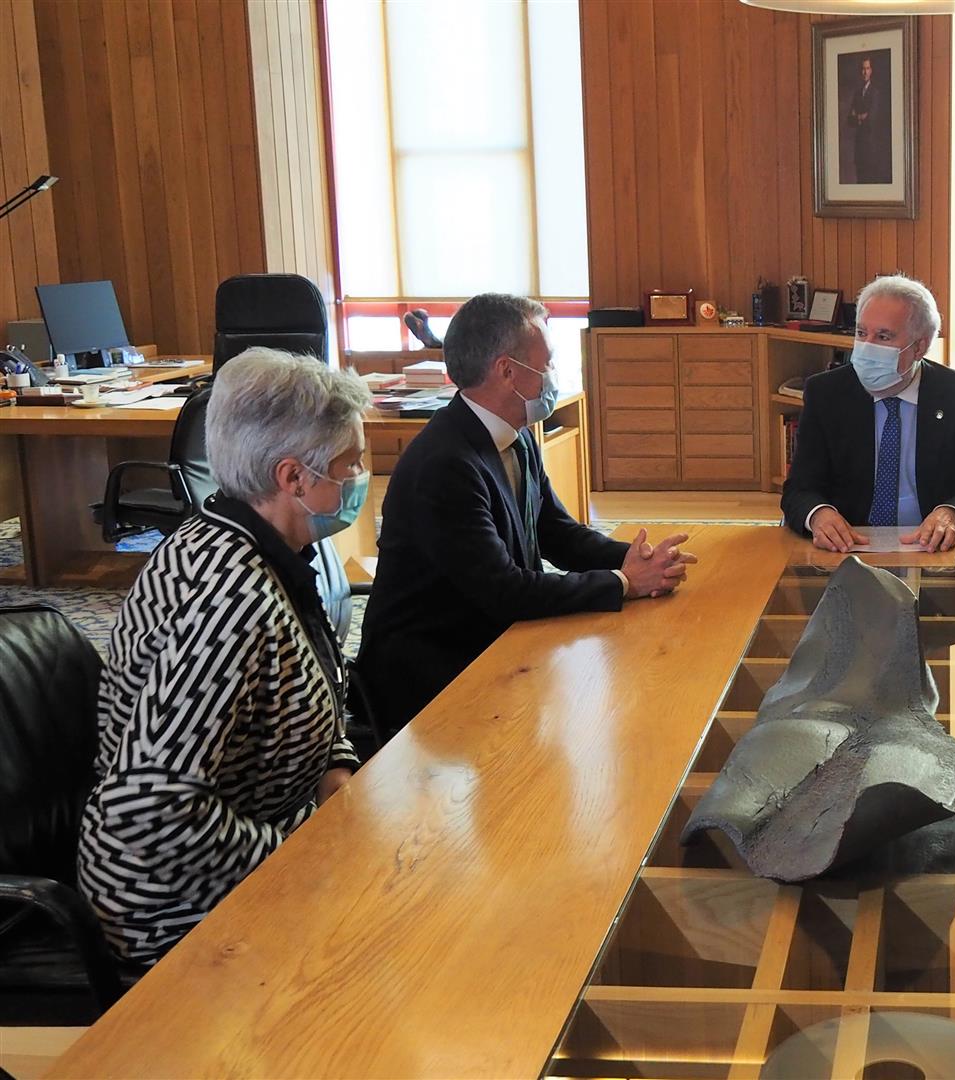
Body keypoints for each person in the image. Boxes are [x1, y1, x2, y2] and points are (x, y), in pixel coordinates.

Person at [77, 349, 371, 964]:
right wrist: (302, 853)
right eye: (352, 462)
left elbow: (305, 687)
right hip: (175, 913)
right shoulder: (229, 596)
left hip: (261, 849)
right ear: (294, 479)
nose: (361, 475)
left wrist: (333, 770)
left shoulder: (251, 541)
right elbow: (148, 807)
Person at [357, 293, 695, 737]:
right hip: (434, 676)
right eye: (548, 363)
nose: (553, 376)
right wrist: (625, 583)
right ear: (507, 371)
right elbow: (505, 591)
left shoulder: (515, 435)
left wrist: (636, 560)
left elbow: (557, 534)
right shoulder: (446, 464)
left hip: (496, 644)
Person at [781, 275, 955, 553]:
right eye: (861, 333)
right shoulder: (826, 393)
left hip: (932, 549)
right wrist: (819, 515)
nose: (867, 347)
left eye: (883, 336)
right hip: (850, 547)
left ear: (920, 346)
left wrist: (951, 513)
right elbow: (799, 488)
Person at [845, 55, 889, 184]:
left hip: (871, 145)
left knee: (870, 180)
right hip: (859, 146)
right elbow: (849, 120)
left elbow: (871, 119)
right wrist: (860, 117)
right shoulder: (857, 93)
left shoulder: (875, 92)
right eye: (863, 69)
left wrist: (857, 116)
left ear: (871, 70)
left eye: (867, 68)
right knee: (860, 180)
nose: (865, 72)